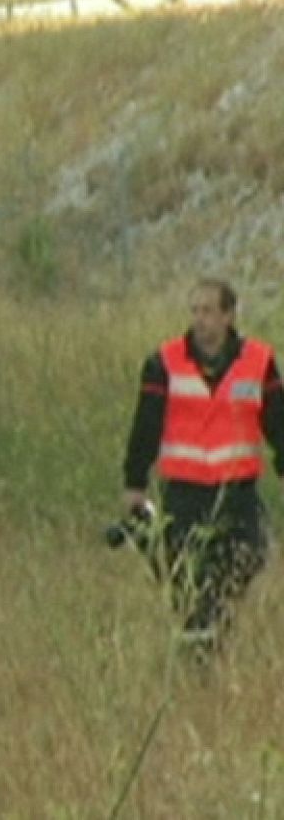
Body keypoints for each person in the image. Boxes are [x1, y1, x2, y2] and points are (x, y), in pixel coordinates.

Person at [121, 278, 284, 657]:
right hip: (184, 497)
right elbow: (145, 427)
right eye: (195, 311)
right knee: (190, 587)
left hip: (237, 496)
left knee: (240, 568)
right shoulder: (163, 363)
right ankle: (201, 661)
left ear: (229, 316)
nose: (200, 320)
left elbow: (279, 425)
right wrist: (134, 483)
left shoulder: (259, 363)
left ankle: (207, 645)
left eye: (209, 311)